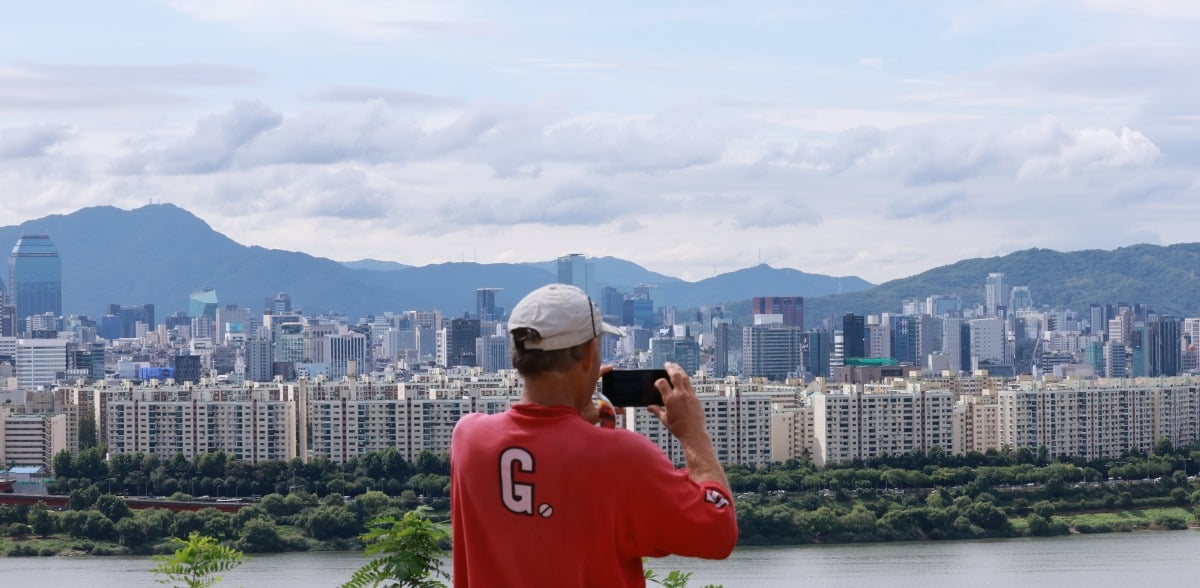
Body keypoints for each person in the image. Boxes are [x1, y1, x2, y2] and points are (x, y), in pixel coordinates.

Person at [450, 284, 737, 587]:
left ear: (516, 355)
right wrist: (694, 434)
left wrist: (578, 420)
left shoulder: (467, 437)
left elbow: (552, 477)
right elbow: (716, 533)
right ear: (589, 355)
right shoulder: (623, 456)